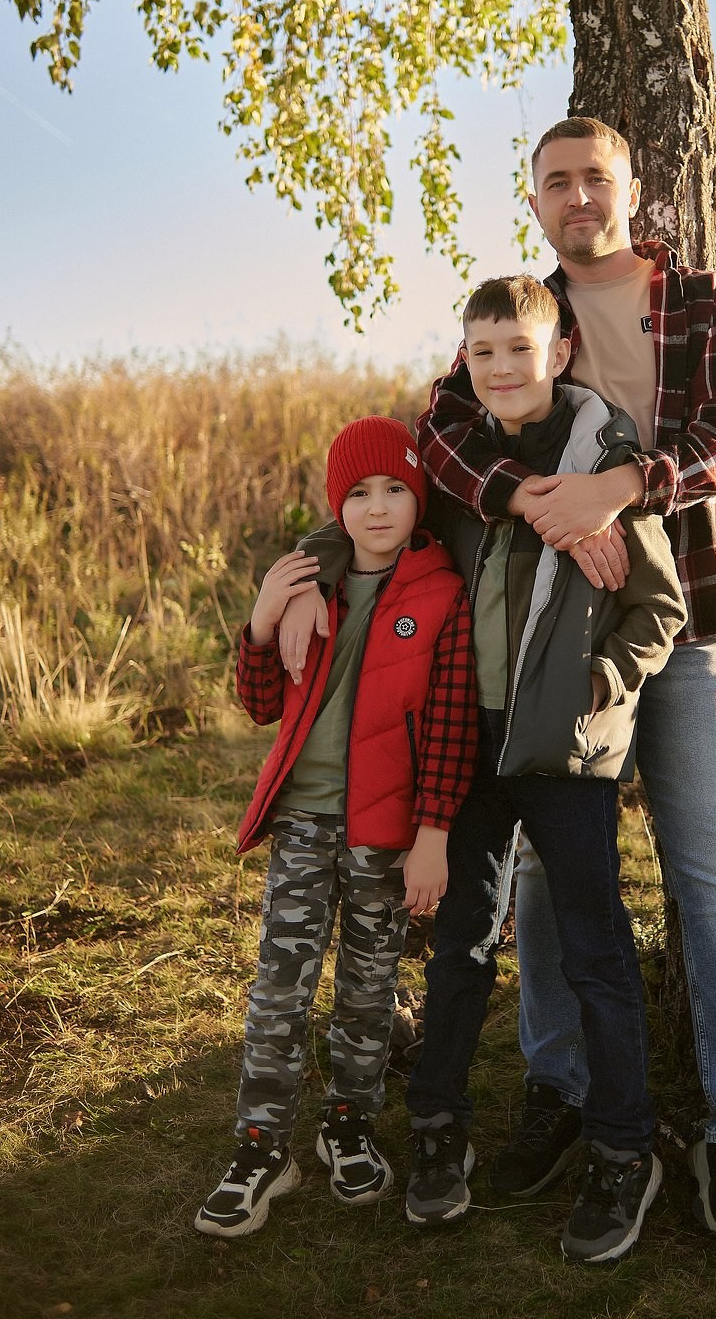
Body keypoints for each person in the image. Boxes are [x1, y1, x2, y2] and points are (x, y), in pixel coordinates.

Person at [414, 118, 716, 1251]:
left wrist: (621, 486)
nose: (579, 198)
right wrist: (535, 503)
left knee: (714, 868)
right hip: (549, 652)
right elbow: (440, 428)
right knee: (542, 876)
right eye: (557, 182)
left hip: (691, 617)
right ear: (534, 198)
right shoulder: (530, 316)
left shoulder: (710, 303)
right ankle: (564, 1094)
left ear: (633, 188)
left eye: (597, 179)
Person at [290, 277, 686, 1263]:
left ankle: (624, 1152)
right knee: (463, 943)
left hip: (567, 756)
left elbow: (660, 609)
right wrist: (289, 576)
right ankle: (438, 1133)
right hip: (461, 750)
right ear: (465, 360)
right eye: (484, 351)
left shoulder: (604, 466)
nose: (503, 367)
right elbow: (367, 527)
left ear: (558, 356)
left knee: (597, 953)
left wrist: (602, 678)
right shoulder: (452, 468)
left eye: (521, 348)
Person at [194, 416, 477, 1239]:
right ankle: (261, 1147)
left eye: (394, 489)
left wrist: (432, 835)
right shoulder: (307, 581)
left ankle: (347, 1124)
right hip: (305, 821)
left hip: (387, 832)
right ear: (336, 505)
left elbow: (454, 727)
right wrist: (260, 618)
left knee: (367, 986)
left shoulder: (442, 592)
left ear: (417, 496)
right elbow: (258, 705)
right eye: (357, 494)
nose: (378, 508)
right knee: (279, 987)